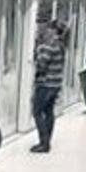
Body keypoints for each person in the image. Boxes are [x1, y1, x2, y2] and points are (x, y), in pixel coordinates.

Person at [30, 20, 66, 153]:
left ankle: (44, 143)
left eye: (48, 28)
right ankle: (47, 140)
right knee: (49, 112)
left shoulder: (48, 45)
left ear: (54, 31)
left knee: (37, 112)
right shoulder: (60, 45)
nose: (44, 31)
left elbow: (41, 64)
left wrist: (38, 49)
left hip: (45, 84)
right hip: (56, 83)